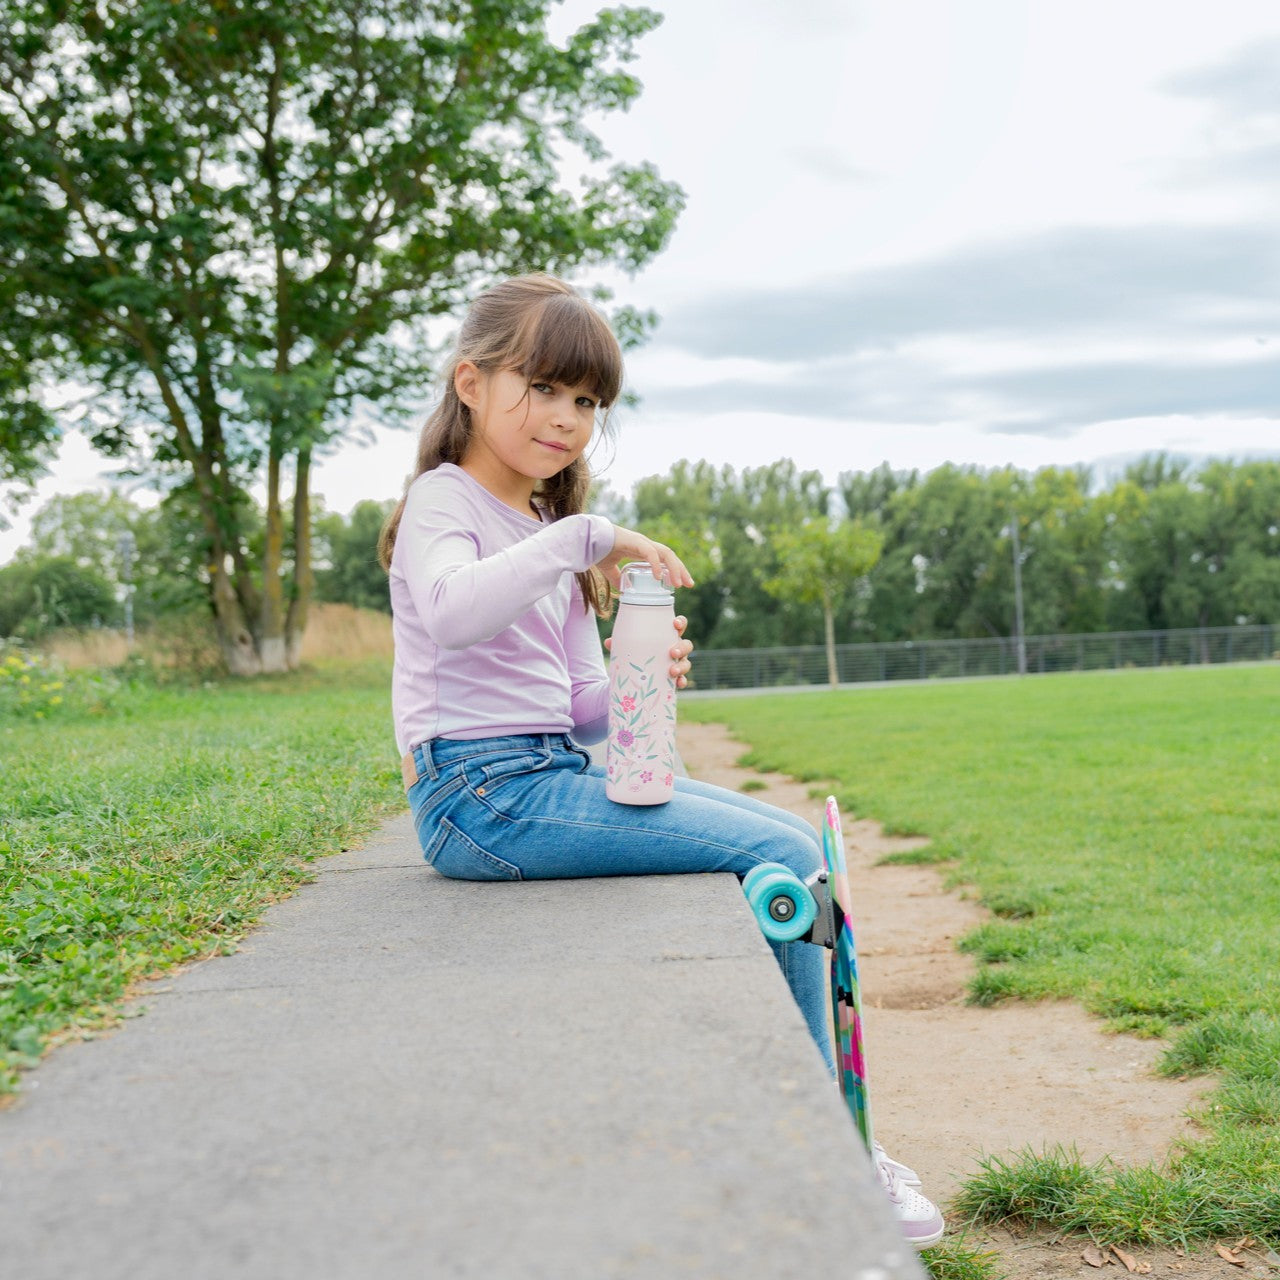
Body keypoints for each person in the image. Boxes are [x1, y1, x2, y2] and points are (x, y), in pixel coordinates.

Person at [378, 273, 944, 1248]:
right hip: (478, 795)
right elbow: (451, 611)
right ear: (469, 382)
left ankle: (831, 1130)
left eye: (587, 400)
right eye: (542, 387)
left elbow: (574, 708)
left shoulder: (541, 532)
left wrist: (641, 677)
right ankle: (831, 1148)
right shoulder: (446, 501)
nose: (566, 418)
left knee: (791, 849)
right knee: (788, 867)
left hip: (540, 773)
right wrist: (584, 537)